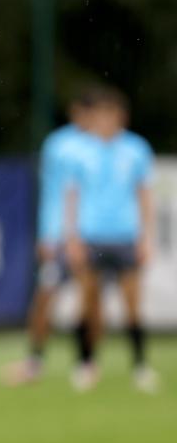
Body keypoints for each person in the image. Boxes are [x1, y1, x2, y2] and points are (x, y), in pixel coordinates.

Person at [65, 86, 158, 393]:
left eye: (111, 115)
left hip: (125, 235)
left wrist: (146, 237)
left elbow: (144, 195)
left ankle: (140, 365)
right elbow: (72, 197)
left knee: (132, 303)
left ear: (121, 118)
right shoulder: (81, 152)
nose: (105, 121)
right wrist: (72, 237)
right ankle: (86, 362)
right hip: (92, 235)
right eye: (100, 116)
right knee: (88, 302)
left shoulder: (136, 149)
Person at [3, 93, 94, 385]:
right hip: (59, 236)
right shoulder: (59, 144)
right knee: (46, 296)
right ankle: (35, 359)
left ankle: (86, 362)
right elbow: (54, 192)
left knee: (91, 298)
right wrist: (48, 234)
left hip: (94, 234)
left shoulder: (110, 145)